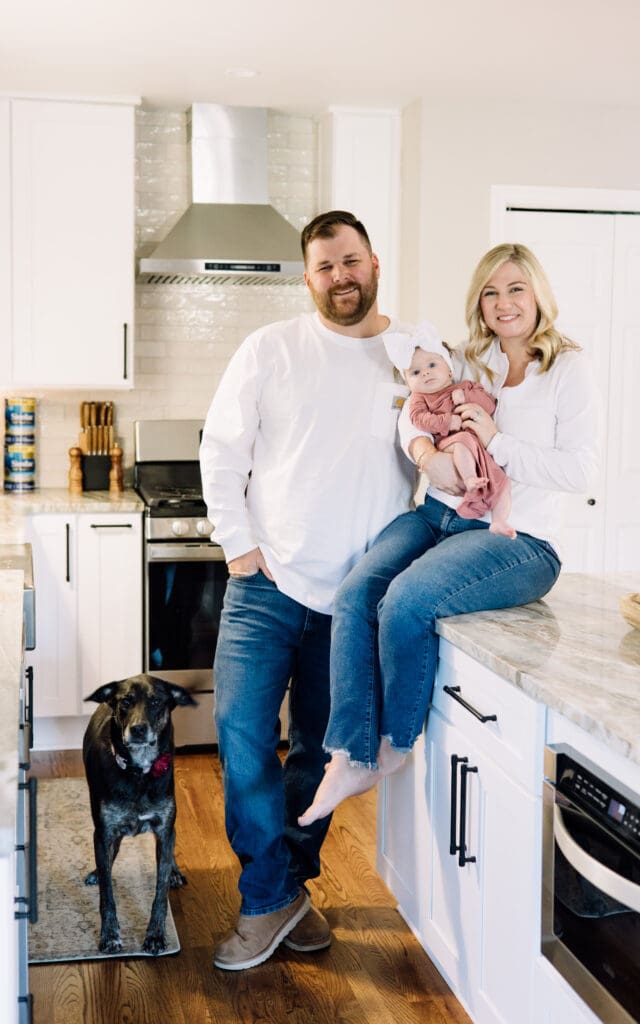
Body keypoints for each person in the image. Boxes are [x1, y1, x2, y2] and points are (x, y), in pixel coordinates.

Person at [298, 242, 600, 826]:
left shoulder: (568, 369)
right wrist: (422, 451)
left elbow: (581, 471)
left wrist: (499, 439)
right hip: (438, 514)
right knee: (355, 593)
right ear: (478, 303)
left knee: (406, 601)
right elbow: (413, 406)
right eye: (491, 291)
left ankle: (393, 745)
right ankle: (349, 753)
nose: (504, 303)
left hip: (519, 541)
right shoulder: (470, 358)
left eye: (516, 288)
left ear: (539, 293)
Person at [199, 210, 415, 971]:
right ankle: (267, 899)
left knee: (319, 759)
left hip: (356, 599)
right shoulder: (272, 348)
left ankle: (285, 891)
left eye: (349, 261)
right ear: (307, 278)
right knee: (243, 740)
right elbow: (221, 448)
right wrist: (239, 547)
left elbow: (454, 446)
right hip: (267, 583)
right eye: (324, 268)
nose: (340, 277)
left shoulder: (414, 356)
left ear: (373, 262)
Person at [386, 321, 515, 538]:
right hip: (449, 443)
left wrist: (468, 397)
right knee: (462, 439)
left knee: (502, 483)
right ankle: (469, 482)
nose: (425, 374)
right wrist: (447, 422)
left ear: (449, 369)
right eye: (416, 372)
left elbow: (490, 405)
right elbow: (418, 419)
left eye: (432, 365)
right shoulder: (420, 399)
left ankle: (500, 521)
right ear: (408, 381)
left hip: (479, 450)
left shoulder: (464, 387)